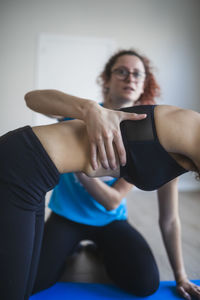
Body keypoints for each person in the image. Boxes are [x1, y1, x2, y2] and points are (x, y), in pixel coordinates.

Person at [25, 50, 199, 300]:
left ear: (143, 85)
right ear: (106, 80)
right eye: (122, 71)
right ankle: (71, 249)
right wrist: (87, 109)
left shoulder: (156, 137)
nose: (130, 78)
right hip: (65, 218)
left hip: (110, 221)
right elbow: (33, 99)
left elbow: (115, 202)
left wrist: (181, 276)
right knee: (32, 281)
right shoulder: (80, 116)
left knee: (145, 284)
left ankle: (99, 249)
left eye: (138, 74)